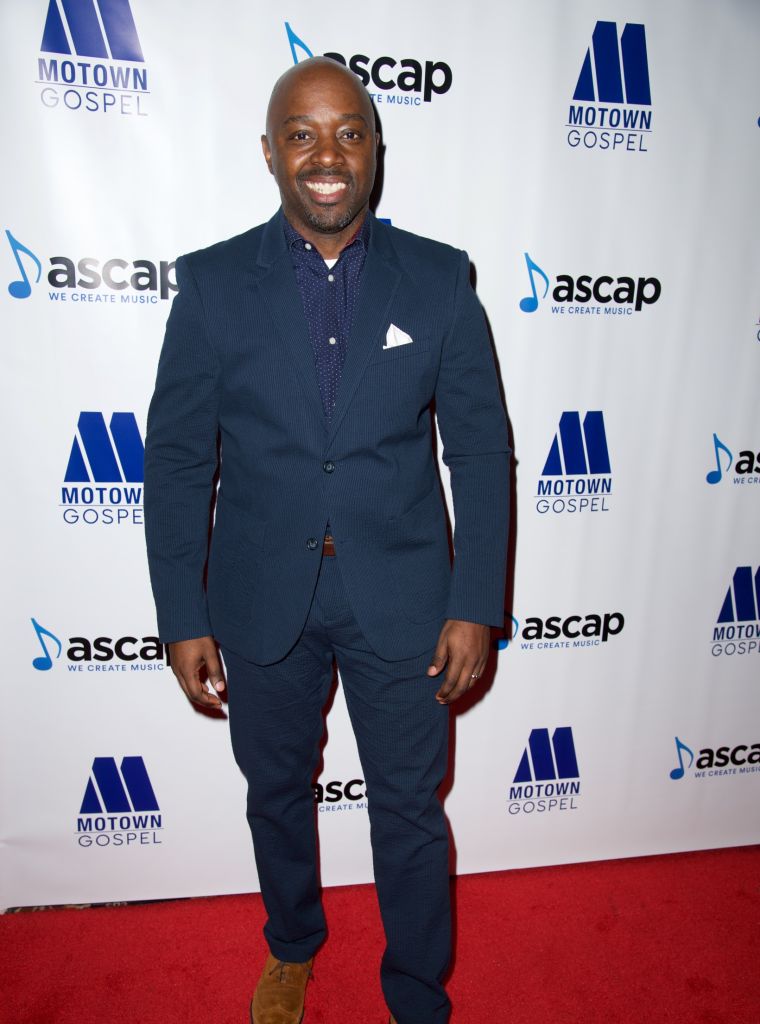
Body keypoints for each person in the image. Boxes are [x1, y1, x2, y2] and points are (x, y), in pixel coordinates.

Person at [144, 56, 510, 1024]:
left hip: (405, 596)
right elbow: (177, 460)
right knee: (275, 790)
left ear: (375, 148)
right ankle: (292, 944)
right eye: (302, 134)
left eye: (349, 132)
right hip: (262, 593)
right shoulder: (213, 285)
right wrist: (181, 614)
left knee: (409, 808)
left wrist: (475, 601)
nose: (327, 155)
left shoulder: (439, 278)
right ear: (270, 152)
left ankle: (417, 992)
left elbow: (479, 450)